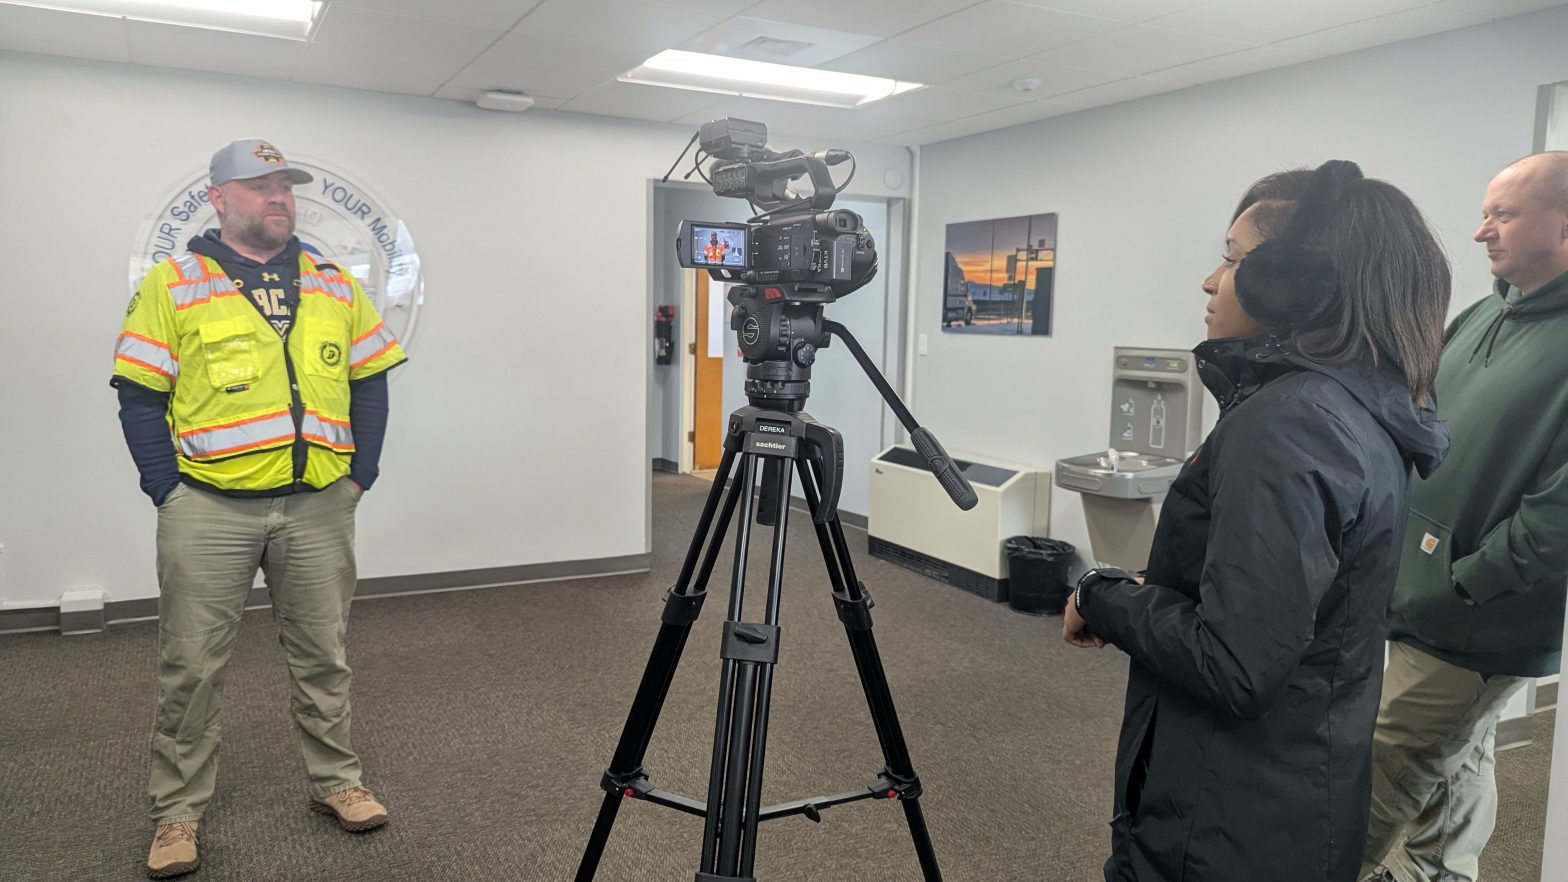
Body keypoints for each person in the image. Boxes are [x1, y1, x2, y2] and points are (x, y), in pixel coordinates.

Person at [1062, 160, 1452, 881]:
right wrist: (1155, 587)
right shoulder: (1355, 409)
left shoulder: (1289, 423)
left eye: (1233, 260)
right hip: (1289, 799)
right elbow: (1288, 601)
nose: (1210, 281)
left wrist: (1101, 594)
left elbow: (1235, 665)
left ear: (1294, 284)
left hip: (1223, 823)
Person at [113, 139, 407, 878]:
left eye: (285, 186)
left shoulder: (333, 283)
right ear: (218, 198)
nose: (278, 197)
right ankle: (177, 815)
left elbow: (370, 381)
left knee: (324, 656)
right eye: (258, 185)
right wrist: (165, 487)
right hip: (208, 509)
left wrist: (360, 475)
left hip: (319, 507)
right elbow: (140, 395)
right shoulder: (174, 283)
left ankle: (336, 783)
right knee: (192, 667)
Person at [1361, 151, 1568, 882]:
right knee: (1459, 755)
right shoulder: (1484, 313)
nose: (1482, 232)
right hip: (1425, 597)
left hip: (1478, 615)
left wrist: (1466, 585)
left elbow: (1559, 518)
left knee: (1377, 773)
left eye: (1502, 215)